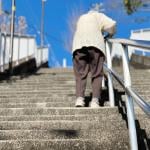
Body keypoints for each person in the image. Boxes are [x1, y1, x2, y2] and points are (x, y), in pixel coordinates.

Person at [72, 9, 116, 108]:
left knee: (80, 74)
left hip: (78, 45)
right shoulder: (98, 16)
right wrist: (111, 34)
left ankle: (79, 99)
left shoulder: (81, 17)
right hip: (95, 44)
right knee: (96, 73)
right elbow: (112, 24)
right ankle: (95, 101)